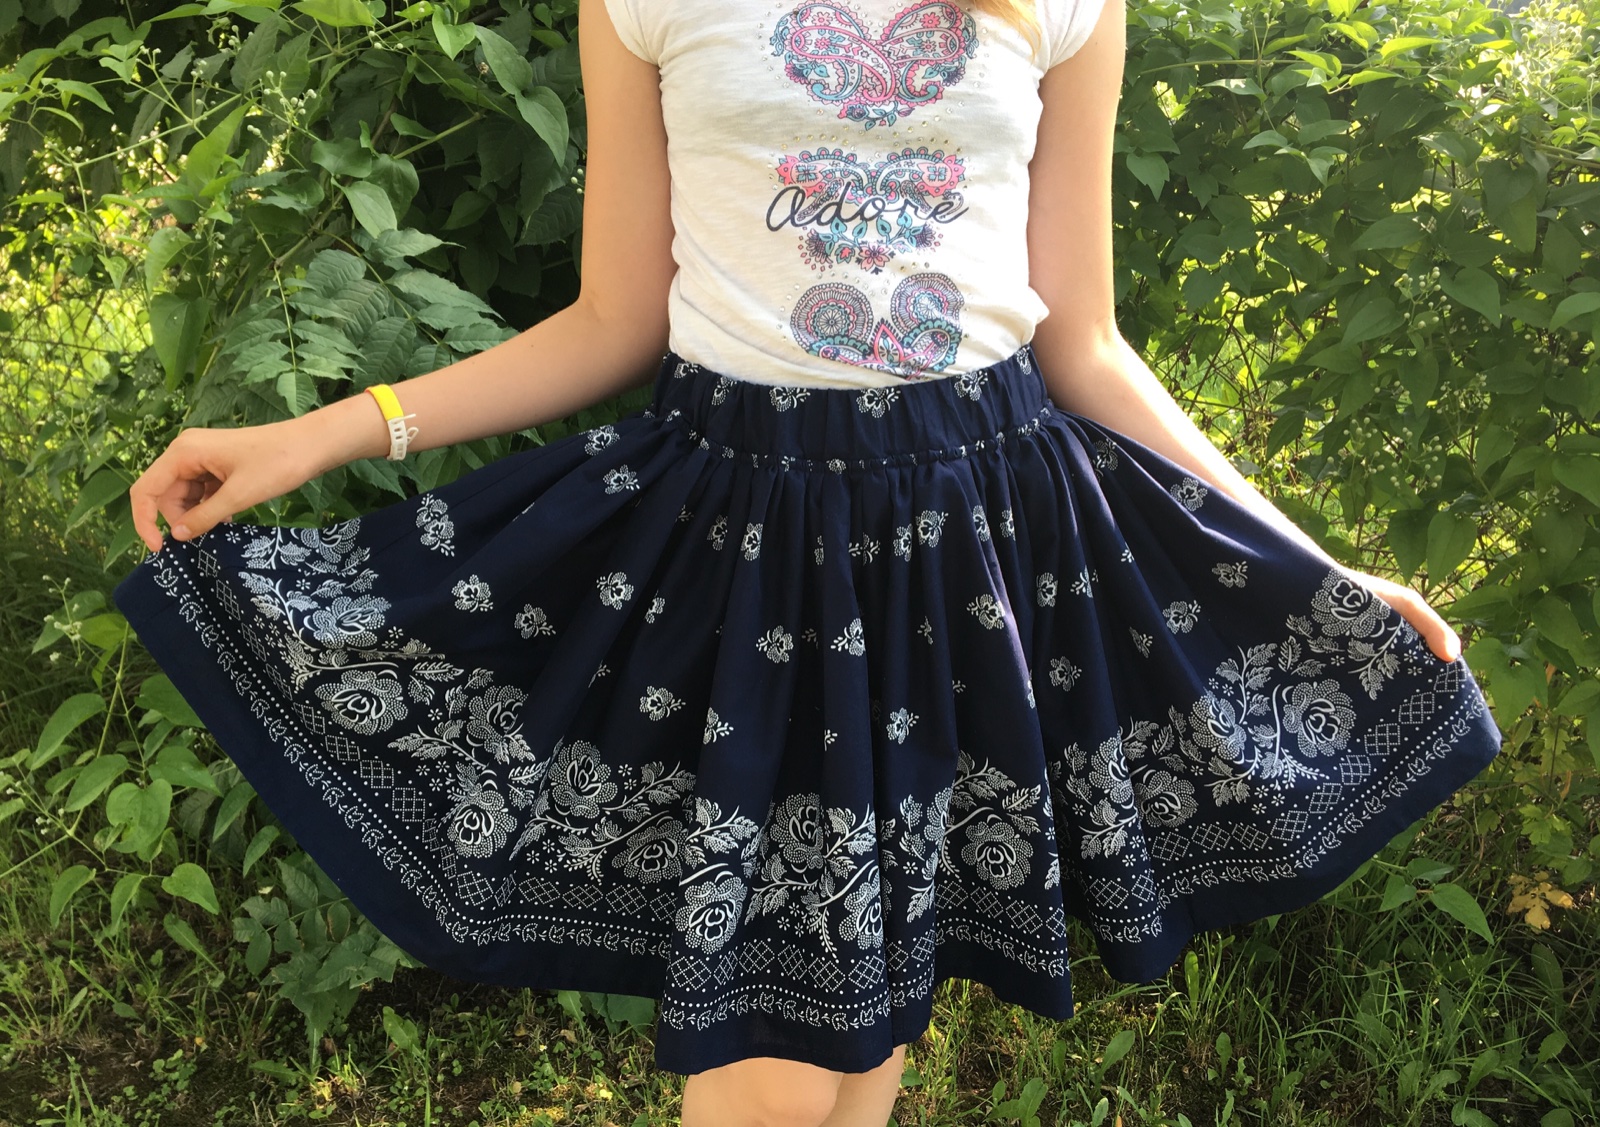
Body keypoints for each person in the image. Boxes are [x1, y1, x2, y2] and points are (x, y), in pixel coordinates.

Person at [111, 1, 1504, 1123]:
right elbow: (612, 321)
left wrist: (1307, 561)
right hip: (754, 550)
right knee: (778, 1062)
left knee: (872, 1010)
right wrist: (326, 431)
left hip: (975, 543)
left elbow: (1083, 339)